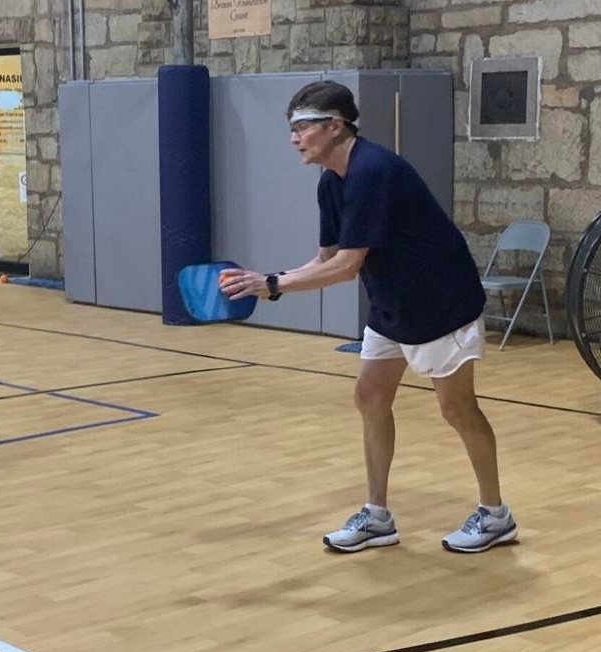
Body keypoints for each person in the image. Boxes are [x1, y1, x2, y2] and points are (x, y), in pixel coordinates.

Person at [220, 80, 516, 554]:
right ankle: (378, 516)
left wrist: (271, 284)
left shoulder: (373, 171)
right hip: (391, 302)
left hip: (441, 301)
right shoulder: (330, 181)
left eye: (303, 127)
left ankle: (496, 515)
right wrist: (268, 281)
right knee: (370, 397)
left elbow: (345, 267)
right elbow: (327, 258)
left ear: (335, 126)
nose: (295, 138)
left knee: (457, 409)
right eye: (291, 129)